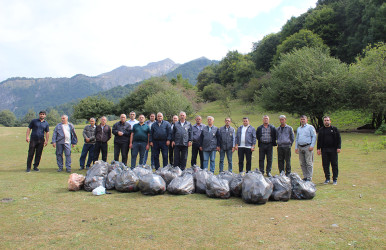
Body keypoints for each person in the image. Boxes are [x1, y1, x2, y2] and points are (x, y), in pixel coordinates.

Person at [317, 116, 341, 185]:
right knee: (325, 165)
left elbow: (338, 139)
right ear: (323, 121)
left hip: (333, 149)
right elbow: (319, 140)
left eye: (327, 120)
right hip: (324, 150)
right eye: (325, 120)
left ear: (330, 121)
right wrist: (318, 149)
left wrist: (339, 147)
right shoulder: (321, 130)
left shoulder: (334, 129)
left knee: (334, 164)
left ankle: (335, 179)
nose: (326, 121)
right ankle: (327, 178)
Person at [295, 115, 317, 181]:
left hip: (308, 146)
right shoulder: (299, 128)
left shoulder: (310, 127)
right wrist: (296, 147)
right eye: (301, 119)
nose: (302, 120)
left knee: (309, 163)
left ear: (306, 120)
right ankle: (305, 176)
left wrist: (312, 146)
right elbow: (297, 138)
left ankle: (309, 177)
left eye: (304, 119)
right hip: (300, 147)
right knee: (302, 163)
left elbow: (314, 136)